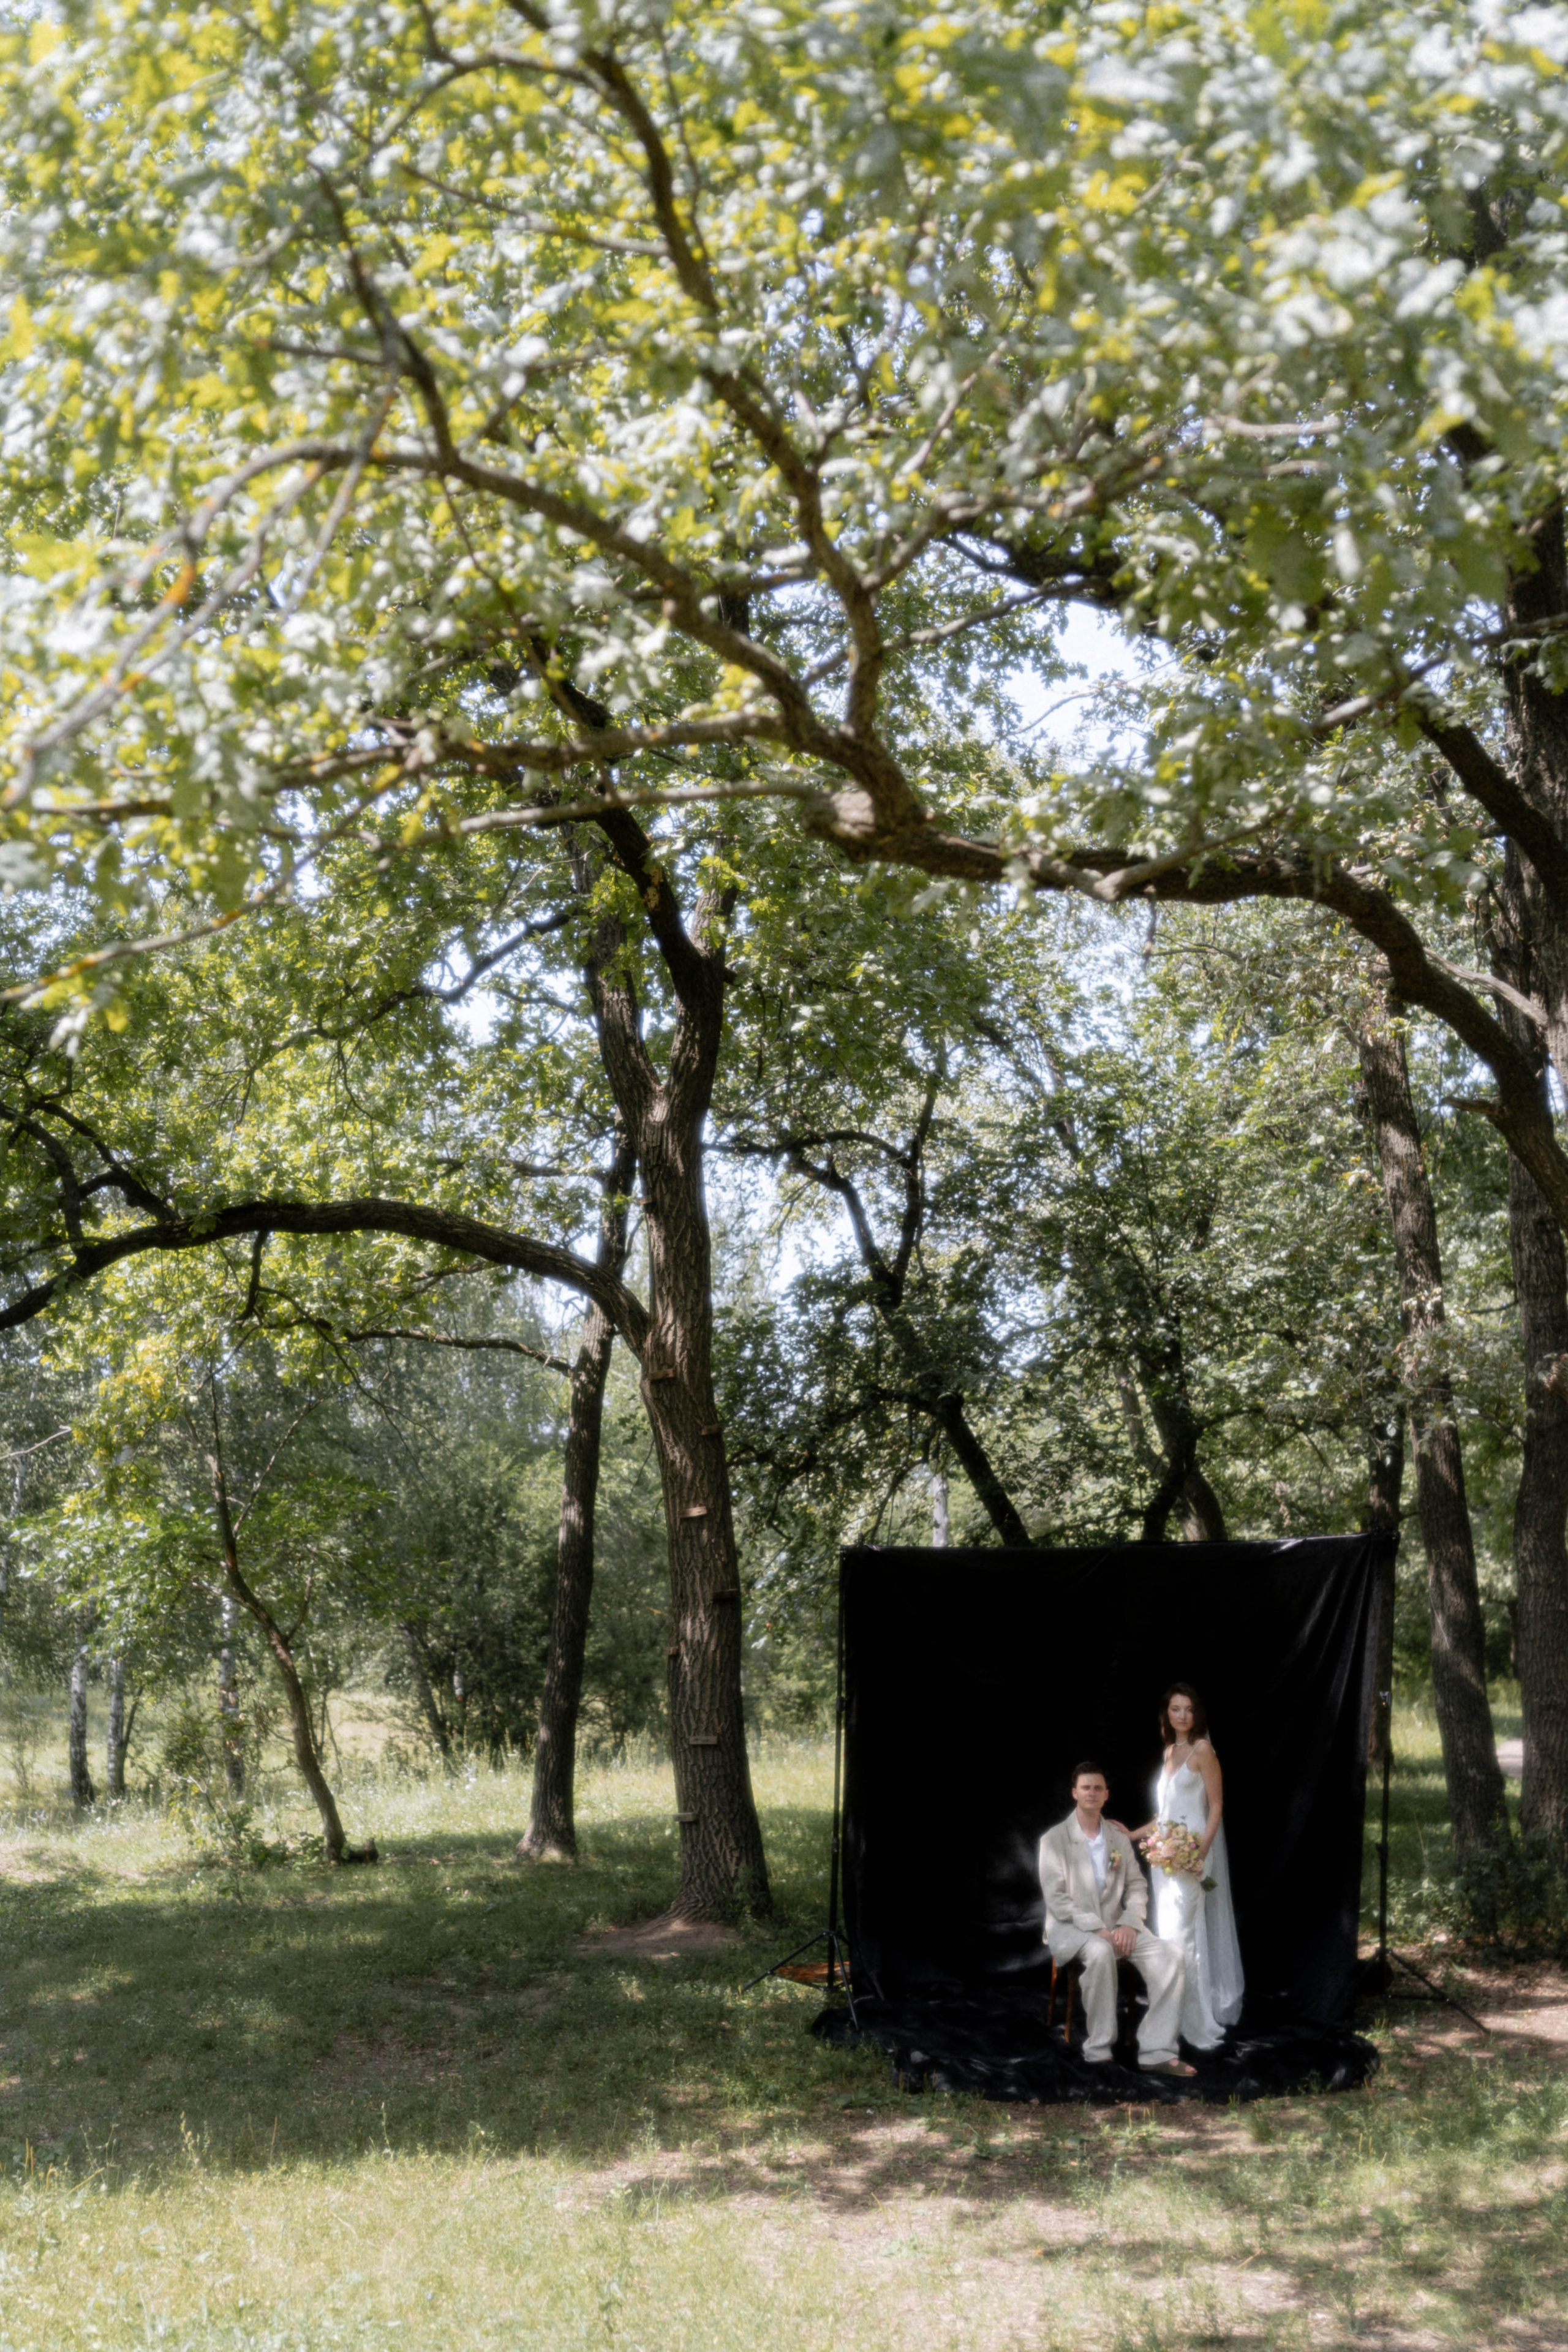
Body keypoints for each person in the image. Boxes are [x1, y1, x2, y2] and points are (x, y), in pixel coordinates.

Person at [1038, 1762, 1193, 2077]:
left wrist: (1129, 1922)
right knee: (1099, 1951)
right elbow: (1057, 1900)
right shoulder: (1054, 1840)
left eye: (1098, 1788)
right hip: (1070, 1928)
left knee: (1171, 1956)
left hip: (1117, 1925)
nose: (1092, 1793)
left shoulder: (1118, 1838)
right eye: (1086, 1788)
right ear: (1074, 1793)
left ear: (1106, 1795)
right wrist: (1096, 1928)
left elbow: (1137, 1886)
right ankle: (1099, 2050)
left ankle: (1157, 2051)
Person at [1126, 1683, 1245, 2050]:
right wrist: (1131, 1834)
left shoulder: (1203, 1750)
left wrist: (1200, 1855)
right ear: (1167, 1714)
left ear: (1197, 1715)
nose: (1181, 1715)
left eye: (1188, 1710)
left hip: (1192, 1856)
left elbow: (1217, 1807)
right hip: (1166, 1860)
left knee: (1185, 1938)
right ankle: (1173, 2016)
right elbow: (1164, 1816)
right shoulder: (1170, 1751)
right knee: (1169, 1936)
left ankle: (1195, 2023)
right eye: (1175, 1709)